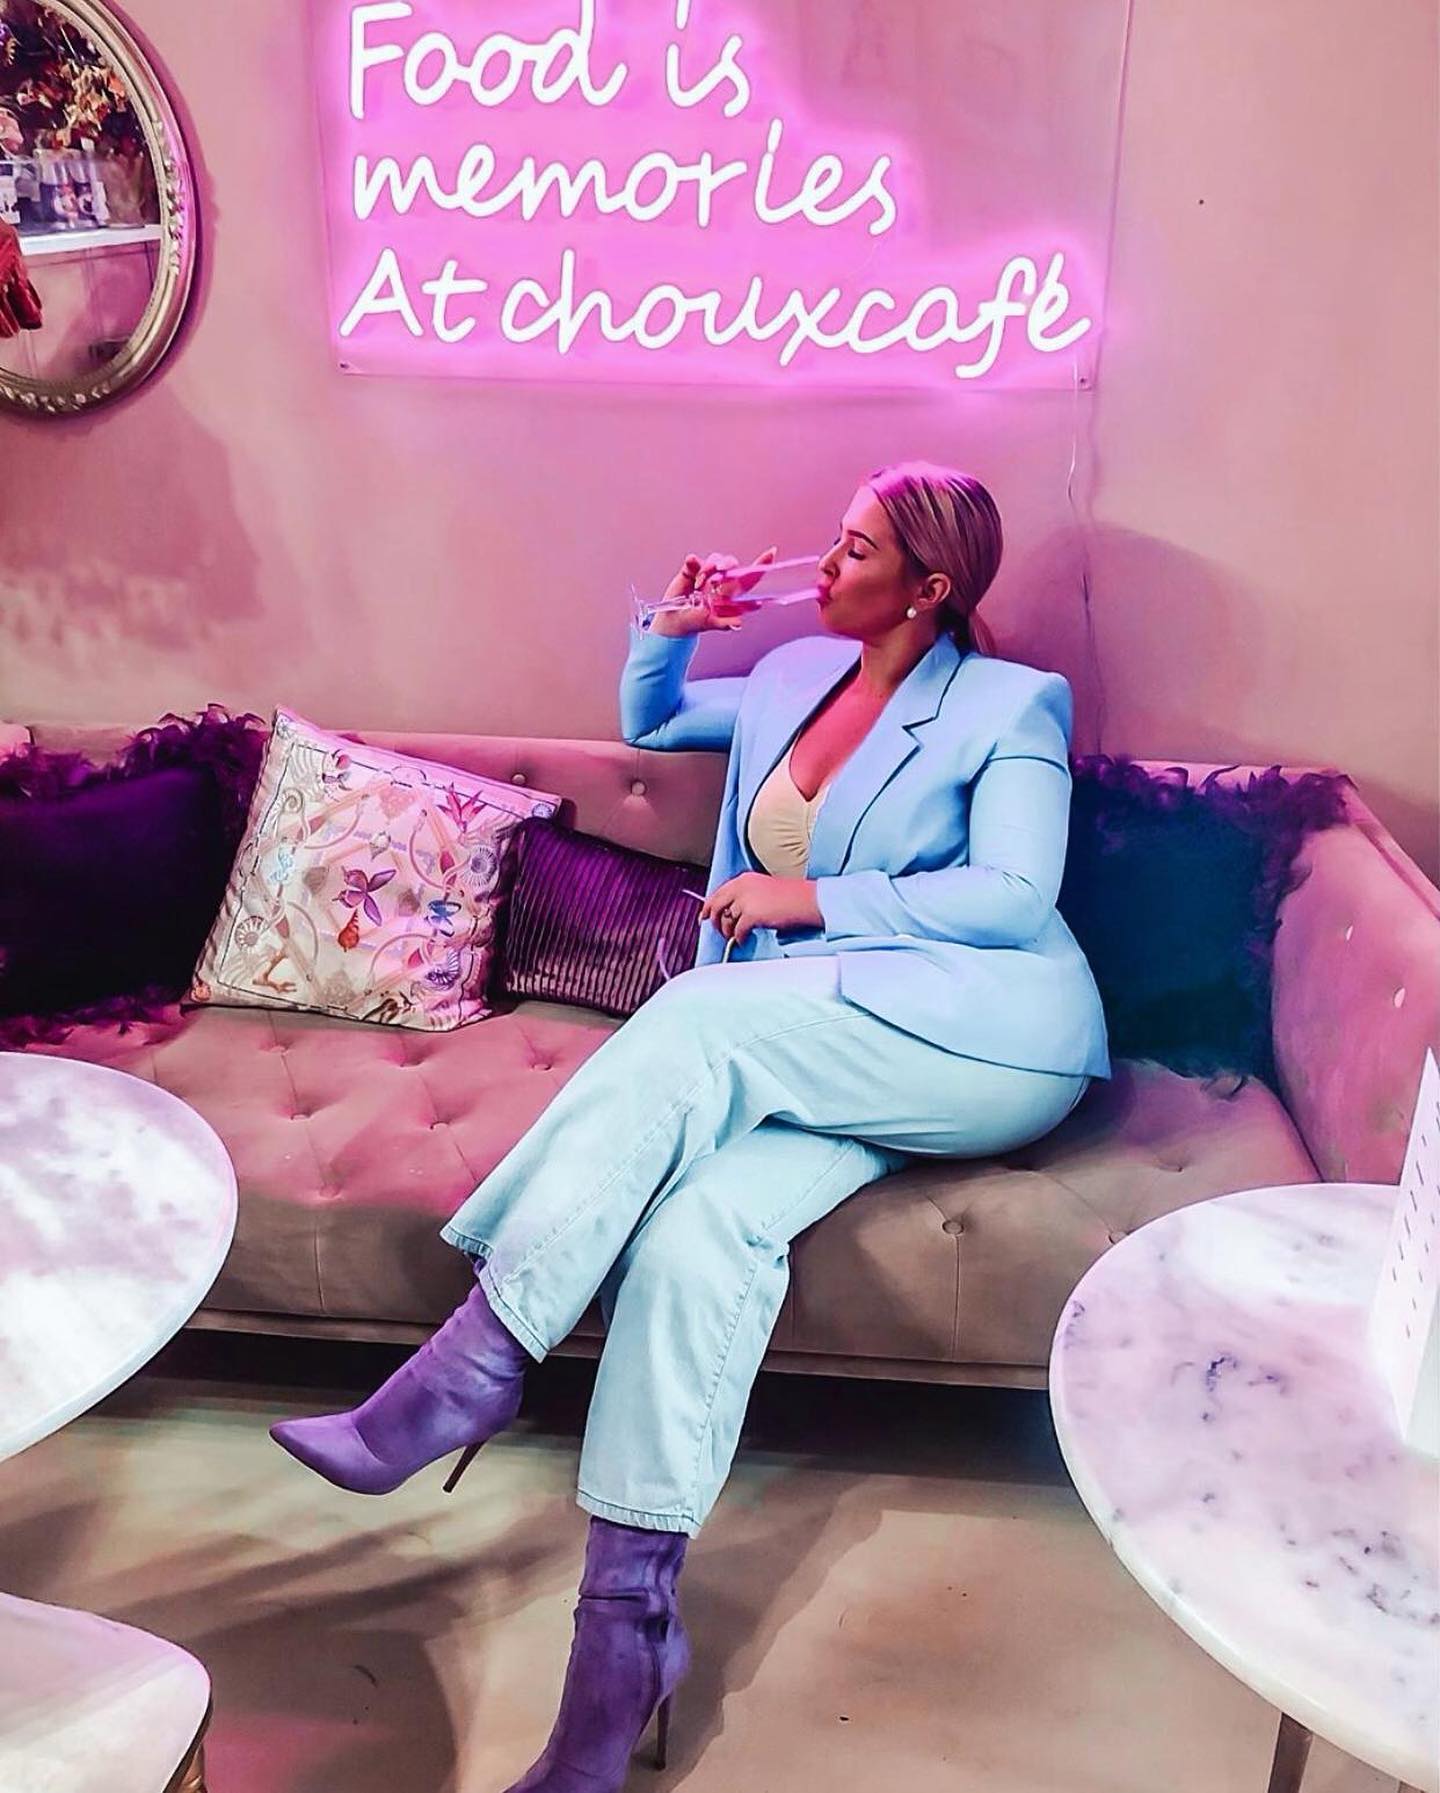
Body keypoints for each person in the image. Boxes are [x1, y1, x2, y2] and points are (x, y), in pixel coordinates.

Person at [271, 460, 1112, 1792]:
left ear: (931, 585)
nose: (824, 565)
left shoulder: (1011, 705)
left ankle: (477, 1358)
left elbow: (1015, 894)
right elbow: (656, 717)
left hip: (983, 1033)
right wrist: (671, 627)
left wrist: (810, 899)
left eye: (856, 549)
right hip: (820, 1038)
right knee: (694, 1237)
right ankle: (623, 1651)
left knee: (697, 1019)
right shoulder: (789, 678)